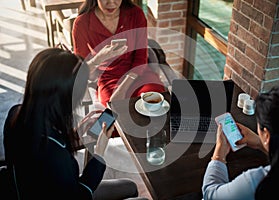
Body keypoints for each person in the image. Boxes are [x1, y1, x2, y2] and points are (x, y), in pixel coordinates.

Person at [3, 48, 148, 200]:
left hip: (36, 189)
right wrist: (98, 153)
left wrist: (74, 133)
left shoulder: (16, 115)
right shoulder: (56, 156)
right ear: (65, 99)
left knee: (129, 186)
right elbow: (81, 194)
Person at [202, 85, 279, 200]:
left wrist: (219, 154)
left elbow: (210, 193)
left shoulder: (256, 182)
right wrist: (260, 142)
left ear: (267, 135)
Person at [72, 0, 166, 107]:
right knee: (118, 112)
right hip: (108, 78)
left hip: (138, 73)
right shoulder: (81, 23)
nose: (111, 3)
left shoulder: (136, 14)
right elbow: (81, 71)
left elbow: (141, 57)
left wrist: (122, 89)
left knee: (154, 103)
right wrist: (99, 58)